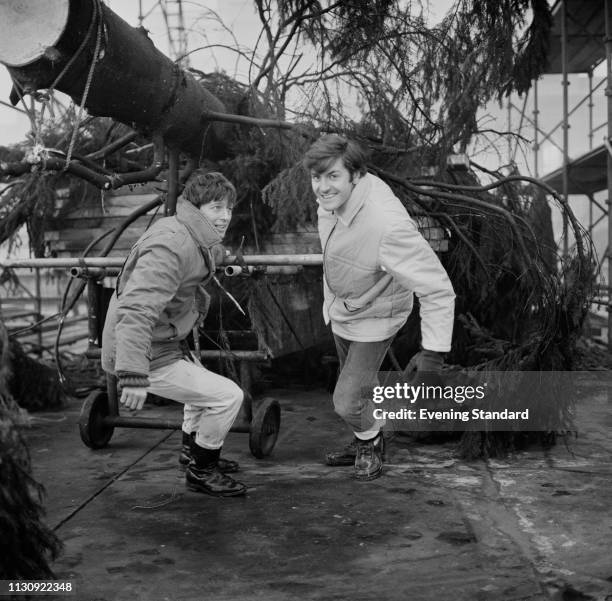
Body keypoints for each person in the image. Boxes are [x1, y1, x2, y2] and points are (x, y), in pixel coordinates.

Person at [303, 134, 455, 481]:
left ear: (356, 175)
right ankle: (362, 436)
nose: (323, 187)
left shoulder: (388, 226)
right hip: (343, 310)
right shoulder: (331, 202)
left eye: (333, 176)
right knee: (358, 388)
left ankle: (371, 440)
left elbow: (438, 289)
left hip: (376, 316)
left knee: (346, 401)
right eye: (317, 177)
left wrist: (433, 355)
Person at [101, 170, 247, 497]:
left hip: (163, 341)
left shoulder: (189, 230)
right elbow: (137, 308)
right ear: (196, 208)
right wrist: (133, 374)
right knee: (228, 396)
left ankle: (190, 453)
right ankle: (202, 469)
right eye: (216, 208)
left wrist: (229, 258)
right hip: (143, 352)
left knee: (202, 390)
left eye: (229, 208)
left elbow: (207, 252)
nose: (225, 217)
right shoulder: (170, 246)